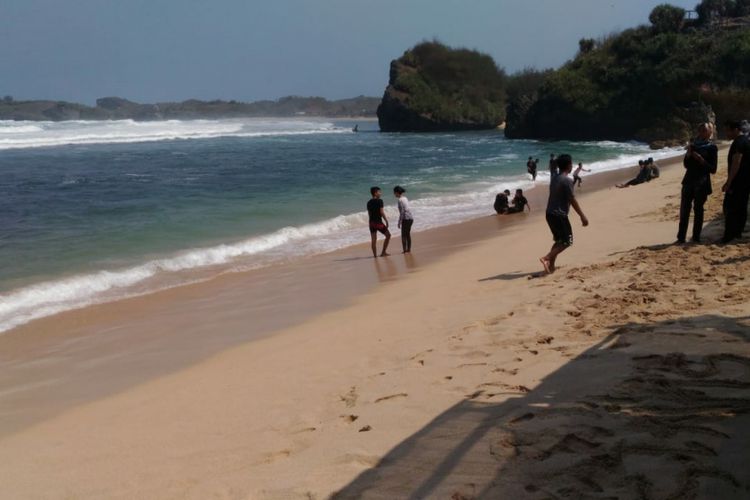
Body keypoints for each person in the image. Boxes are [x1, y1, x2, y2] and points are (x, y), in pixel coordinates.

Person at [540, 154, 589, 274]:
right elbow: (572, 200)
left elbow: (553, 167)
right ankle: (546, 258)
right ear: (568, 166)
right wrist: (582, 216)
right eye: (571, 164)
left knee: (559, 241)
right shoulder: (567, 180)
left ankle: (551, 267)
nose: (572, 166)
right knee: (567, 241)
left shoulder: (554, 177)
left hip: (550, 213)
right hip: (559, 215)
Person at [677, 123, 718, 244]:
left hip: (702, 182)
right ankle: (681, 237)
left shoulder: (712, 148)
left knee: (698, 210)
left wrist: (701, 160)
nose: (702, 132)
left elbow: (713, 169)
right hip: (688, 181)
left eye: (704, 130)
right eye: (700, 130)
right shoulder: (693, 145)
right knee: (684, 209)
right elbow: (686, 165)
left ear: (710, 132)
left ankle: (696, 237)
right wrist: (689, 154)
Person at [721, 120, 750, 243]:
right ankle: (737, 233)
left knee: (729, 207)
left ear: (736, 130)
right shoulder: (745, 141)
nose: (726, 133)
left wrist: (729, 182)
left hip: (738, 181)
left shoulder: (739, 142)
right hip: (745, 180)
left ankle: (729, 235)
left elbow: (736, 162)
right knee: (741, 207)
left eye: (728, 130)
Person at [367, 186, 391, 257]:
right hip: (378, 223)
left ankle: (375, 256)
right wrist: (386, 221)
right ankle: (383, 252)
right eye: (379, 192)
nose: (380, 193)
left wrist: (371, 222)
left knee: (373, 239)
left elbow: (369, 214)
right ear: (375, 193)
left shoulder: (368, 202)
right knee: (388, 235)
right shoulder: (380, 201)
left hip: (371, 223)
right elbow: (382, 212)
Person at [393, 185, 414, 253]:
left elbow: (402, 212)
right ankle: (409, 249)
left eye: (394, 192)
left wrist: (399, 222)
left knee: (403, 235)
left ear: (397, 192)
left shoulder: (400, 200)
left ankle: (404, 250)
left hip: (406, 219)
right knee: (407, 234)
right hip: (410, 218)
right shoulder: (405, 198)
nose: (394, 194)